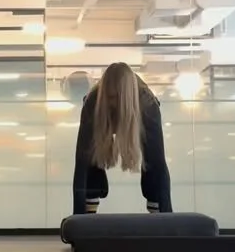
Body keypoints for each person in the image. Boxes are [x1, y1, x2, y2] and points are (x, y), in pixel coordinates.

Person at [72, 62, 172, 215]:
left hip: (137, 110)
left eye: (115, 98)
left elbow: (159, 165)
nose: (113, 104)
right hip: (100, 112)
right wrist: (77, 218)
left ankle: (158, 214)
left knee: (153, 166)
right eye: (110, 98)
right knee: (88, 160)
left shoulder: (148, 104)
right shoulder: (92, 102)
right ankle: (90, 205)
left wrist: (167, 218)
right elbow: (81, 165)